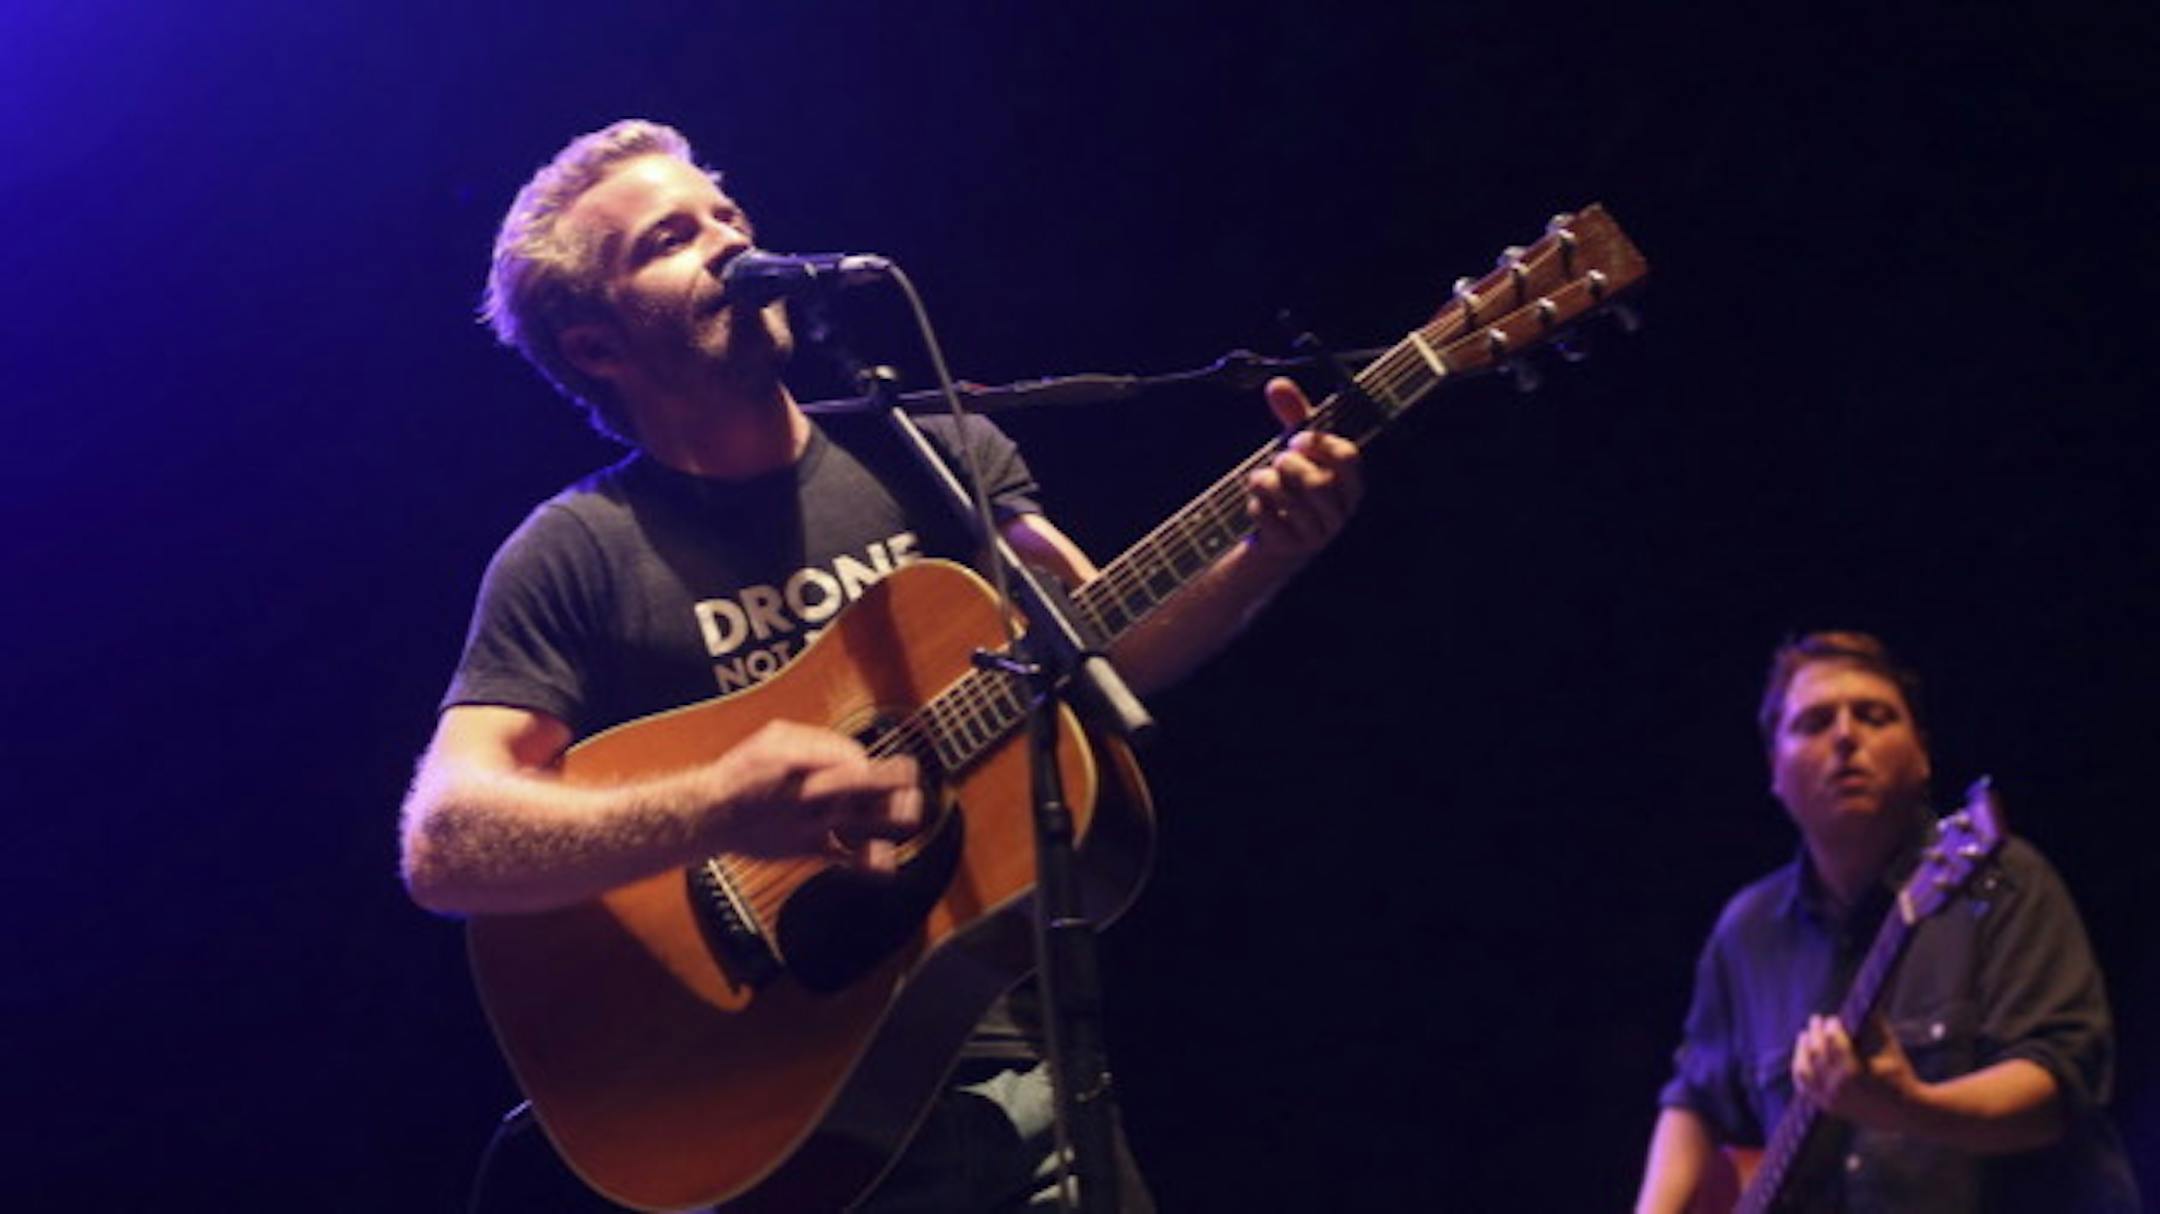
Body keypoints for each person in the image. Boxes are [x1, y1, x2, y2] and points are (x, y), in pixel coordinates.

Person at [397, 119, 1362, 1211]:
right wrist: (714, 808)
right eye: (672, 237)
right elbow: (445, 841)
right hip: (782, 1107)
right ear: (597, 345)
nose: (726, 243)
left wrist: (1260, 554)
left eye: (728, 217)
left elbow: (1106, 645)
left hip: (1014, 1077)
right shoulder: (576, 551)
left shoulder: (935, 456)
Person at [1633, 631, 2139, 1213]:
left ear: (1922, 755)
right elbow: (1695, 1098)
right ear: (1775, 768)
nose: (1846, 736)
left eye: (1874, 716)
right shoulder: (1747, 932)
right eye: (1815, 722)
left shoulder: (2001, 882)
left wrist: (1909, 1106)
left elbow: (2058, 1091)